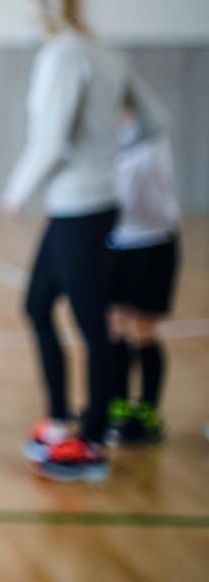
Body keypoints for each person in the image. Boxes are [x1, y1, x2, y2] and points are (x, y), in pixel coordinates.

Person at [5, 0, 163, 482]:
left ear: (39, 6)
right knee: (36, 305)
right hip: (87, 203)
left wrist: (14, 195)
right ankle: (60, 419)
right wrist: (107, 152)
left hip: (79, 206)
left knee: (91, 322)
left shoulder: (63, 55)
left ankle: (92, 438)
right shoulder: (105, 52)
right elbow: (154, 120)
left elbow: (50, 142)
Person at [105, 81, 179, 445]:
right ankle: (117, 405)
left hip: (154, 242)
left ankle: (148, 410)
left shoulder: (151, 141)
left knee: (144, 328)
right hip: (117, 244)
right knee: (115, 326)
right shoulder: (106, 147)